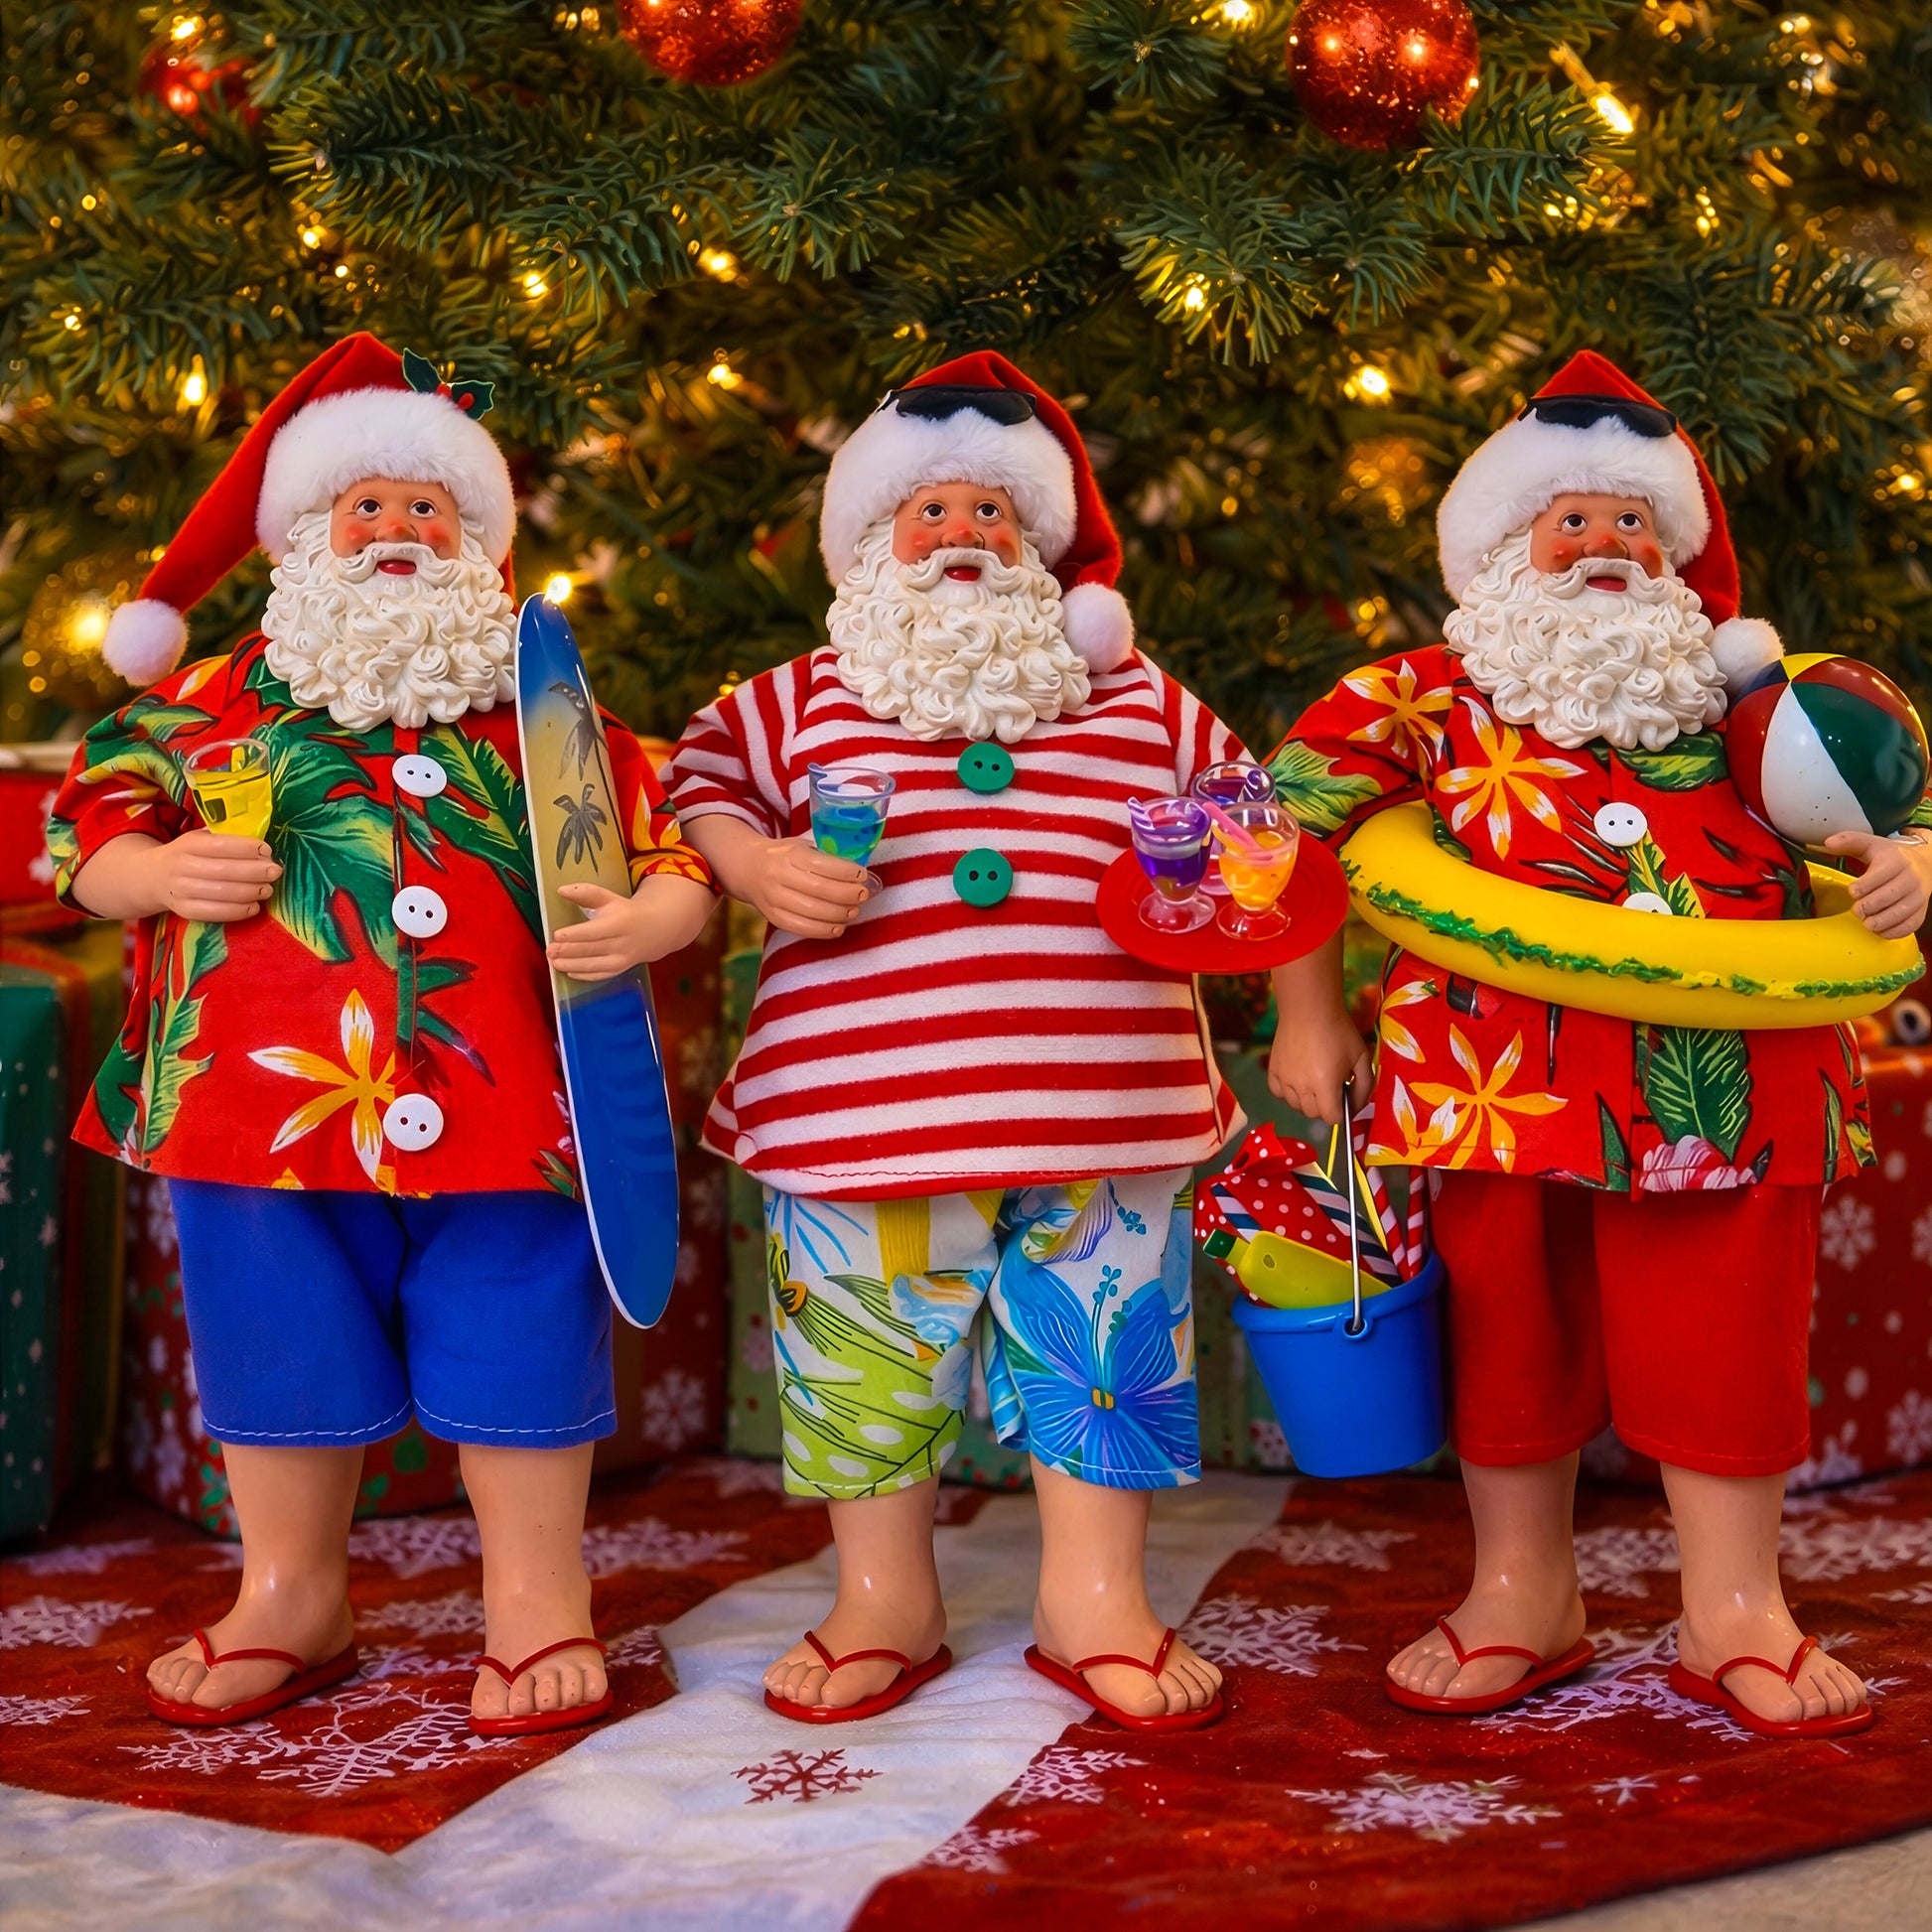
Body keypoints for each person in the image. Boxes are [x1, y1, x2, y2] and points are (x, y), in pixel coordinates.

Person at [47, 335, 713, 1735]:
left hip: (512, 1105)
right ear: (303, 534)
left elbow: (663, 843)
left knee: (524, 1332)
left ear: (478, 543)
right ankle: (291, 1590)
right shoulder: (210, 700)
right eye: (367, 506)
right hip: (253, 1109)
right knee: (274, 1336)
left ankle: (537, 1595)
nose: (398, 530)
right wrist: (153, 877)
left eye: (430, 509)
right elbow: (82, 823)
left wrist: (658, 916)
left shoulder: (548, 710)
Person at [1265, 350, 1930, 1738]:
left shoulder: (1757, 699)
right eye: (1569, 521)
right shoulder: (1423, 698)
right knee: (1510, 1329)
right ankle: (1522, 1588)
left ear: (1681, 552)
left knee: (1726, 1337)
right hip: (1489, 1085)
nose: (1604, 546)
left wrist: (1911, 858)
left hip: (1730, 1090)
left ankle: (1731, 1602)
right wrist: (1306, 1009)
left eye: (1634, 524)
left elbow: (1874, 798)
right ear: (1503, 548)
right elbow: (1270, 831)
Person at [664, 353, 1242, 1729]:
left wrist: (1209, 883)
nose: (965, 533)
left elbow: (1246, 820)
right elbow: (690, 783)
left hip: (1107, 1106)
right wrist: (749, 863)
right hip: (861, 1112)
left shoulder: (1138, 700)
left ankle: (1091, 1594)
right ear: (865, 544)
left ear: (1042, 546)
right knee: (866, 1351)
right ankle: (884, 1595)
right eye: (929, 512)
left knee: (1106, 1342)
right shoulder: (797, 697)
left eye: (994, 512)